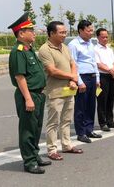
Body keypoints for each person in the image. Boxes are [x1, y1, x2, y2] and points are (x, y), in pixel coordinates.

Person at [8, 12, 51, 174]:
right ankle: (29, 162)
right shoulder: (18, 51)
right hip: (29, 95)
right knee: (27, 130)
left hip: (38, 94)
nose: (34, 33)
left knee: (36, 128)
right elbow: (20, 77)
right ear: (21, 33)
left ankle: (35, 155)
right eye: (30, 30)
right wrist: (28, 99)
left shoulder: (29, 49)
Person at [38, 21, 83, 161]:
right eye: (61, 32)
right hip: (55, 91)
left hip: (69, 89)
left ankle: (66, 145)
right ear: (51, 33)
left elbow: (72, 64)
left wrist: (72, 80)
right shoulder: (45, 49)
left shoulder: (64, 47)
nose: (65, 34)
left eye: (65, 32)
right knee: (54, 122)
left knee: (66, 119)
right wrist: (72, 76)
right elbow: (52, 71)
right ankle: (52, 150)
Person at [68, 20, 102, 143]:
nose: (91, 33)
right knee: (80, 107)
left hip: (92, 77)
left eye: (92, 30)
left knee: (91, 106)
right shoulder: (74, 44)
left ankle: (89, 129)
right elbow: (73, 64)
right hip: (82, 78)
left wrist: (97, 78)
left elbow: (93, 62)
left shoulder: (91, 44)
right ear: (81, 30)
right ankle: (81, 132)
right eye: (89, 30)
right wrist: (79, 81)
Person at [94, 28, 114, 132]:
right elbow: (98, 64)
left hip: (111, 76)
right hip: (101, 77)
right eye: (103, 37)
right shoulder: (95, 49)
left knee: (111, 99)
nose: (105, 39)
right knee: (102, 100)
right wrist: (111, 70)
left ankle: (110, 121)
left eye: (107, 36)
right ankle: (103, 123)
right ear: (98, 37)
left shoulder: (109, 49)